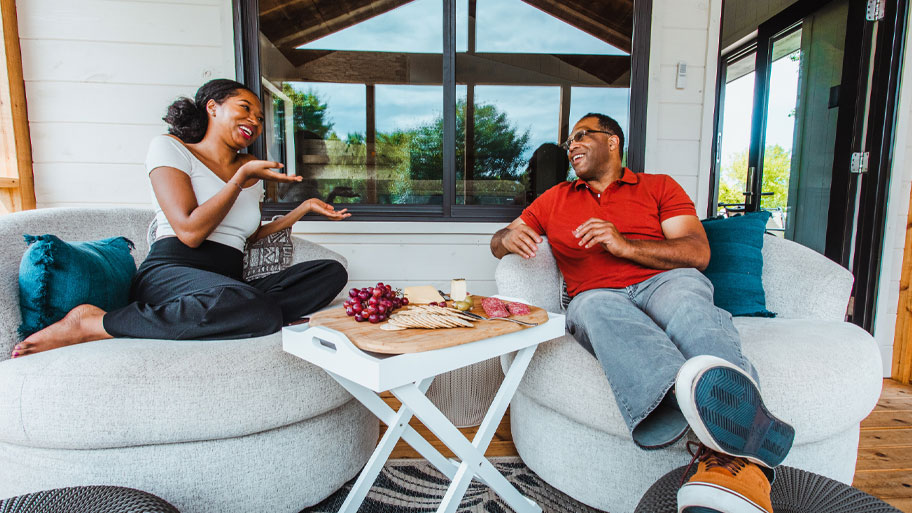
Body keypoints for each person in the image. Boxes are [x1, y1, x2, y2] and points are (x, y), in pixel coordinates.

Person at [490, 113, 795, 513]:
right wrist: (506, 236)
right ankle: (732, 439)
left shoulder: (658, 187)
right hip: (597, 295)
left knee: (690, 301)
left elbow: (697, 253)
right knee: (594, 307)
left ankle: (731, 447)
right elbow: (498, 242)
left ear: (613, 141)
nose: (572, 146)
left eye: (582, 135)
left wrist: (625, 246)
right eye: (568, 143)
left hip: (663, 282)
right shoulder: (555, 199)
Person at [12, 79, 350, 358]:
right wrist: (239, 177)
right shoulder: (171, 149)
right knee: (253, 307)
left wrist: (301, 210)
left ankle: (241, 310)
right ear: (212, 107)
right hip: (171, 273)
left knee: (329, 272)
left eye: (260, 119)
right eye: (245, 108)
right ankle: (94, 323)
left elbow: (244, 238)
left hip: (226, 282)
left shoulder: (250, 176)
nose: (255, 122)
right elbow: (190, 231)